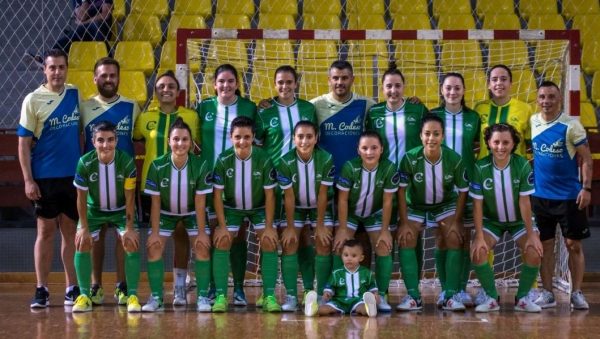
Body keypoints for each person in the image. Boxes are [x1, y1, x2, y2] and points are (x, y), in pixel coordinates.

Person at [18, 49, 81, 308]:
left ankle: (71, 288)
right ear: (44, 70)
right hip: (45, 178)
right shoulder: (32, 100)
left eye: (61, 67)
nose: (57, 72)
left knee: (70, 233)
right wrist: (28, 180)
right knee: (45, 233)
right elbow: (23, 144)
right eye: (52, 67)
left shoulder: (75, 93)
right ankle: (41, 289)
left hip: (72, 177)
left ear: (67, 69)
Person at [364, 63, 428, 311]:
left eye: (397, 85)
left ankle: (414, 293)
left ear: (404, 87)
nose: (393, 90)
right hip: (383, 181)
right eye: (388, 86)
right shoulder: (375, 113)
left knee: (410, 235)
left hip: (412, 183)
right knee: (385, 235)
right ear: (382, 89)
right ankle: (381, 294)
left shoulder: (417, 109)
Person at [133, 70, 200, 306]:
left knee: (181, 236)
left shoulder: (191, 117)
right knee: (156, 238)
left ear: (178, 91)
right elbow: (133, 139)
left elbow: (198, 146)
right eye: (161, 86)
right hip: (153, 188)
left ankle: (180, 287)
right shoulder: (144, 118)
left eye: (171, 86)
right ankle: (156, 293)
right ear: (156, 91)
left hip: (185, 186)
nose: (166, 89)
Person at [255, 65, 319, 308]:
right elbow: (258, 145)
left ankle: (307, 290)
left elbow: (313, 138)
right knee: (269, 236)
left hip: (302, 181)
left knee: (301, 237)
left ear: (296, 83)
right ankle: (267, 289)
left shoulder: (307, 109)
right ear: (274, 84)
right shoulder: (264, 112)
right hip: (272, 183)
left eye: (289, 82)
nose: (285, 86)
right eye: (280, 82)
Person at [80, 57, 139, 306]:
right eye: (103, 75)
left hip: (123, 185)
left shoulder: (131, 106)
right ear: (95, 78)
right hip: (95, 187)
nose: (108, 79)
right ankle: (95, 286)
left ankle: (122, 286)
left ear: (118, 78)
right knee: (95, 238)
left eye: (112, 75)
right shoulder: (84, 107)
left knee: (122, 238)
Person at [196, 64, 257, 306]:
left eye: (231, 81)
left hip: (240, 179)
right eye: (221, 81)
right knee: (213, 232)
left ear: (237, 84)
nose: (226, 85)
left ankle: (239, 288)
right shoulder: (203, 108)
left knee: (238, 234)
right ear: (214, 84)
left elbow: (259, 137)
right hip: (209, 180)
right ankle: (213, 285)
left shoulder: (249, 108)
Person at [530, 81, 593, 310]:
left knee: (573, 245)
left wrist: (586, 188)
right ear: (537, 99)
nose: (546, 101)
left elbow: (586, 159)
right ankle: (547, 293)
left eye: (551, 97)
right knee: (545, 247)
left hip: (569, 196)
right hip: (540, 197)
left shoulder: (571, 126)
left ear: (560, 99)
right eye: (542, 97)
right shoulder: (533, 122)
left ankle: (576, 292)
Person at [396, 114, 469, 311]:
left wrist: (456, 220)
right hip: (416, 206)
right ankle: (413, 296)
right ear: (420, 135)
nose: (431, 138)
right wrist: (403, 222)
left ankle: (449, 295)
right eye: (427, 134)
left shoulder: (454, 158)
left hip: (444, 204)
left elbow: (463, 191)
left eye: (436, 134)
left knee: (453, 236)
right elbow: (401, 191)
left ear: (443, 136)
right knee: (406, 237)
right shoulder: (410, 158)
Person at [141, 118, 213, 312]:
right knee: (154, 247)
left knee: (202, 246)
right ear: (169, 142)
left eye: (185, 139)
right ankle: (156, 297)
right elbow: (155, 203)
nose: (180, 144)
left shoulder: (200, 165)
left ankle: (202, 297)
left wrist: (201, 232)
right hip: (165, 213)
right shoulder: (157, 166)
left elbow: (200, 202)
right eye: (176, 139)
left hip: (191, 214)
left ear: (191, 142)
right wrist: (155, 232)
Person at [470, 123, 543, 313]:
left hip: (518, 221)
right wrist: (478, 236)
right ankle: (492, 297)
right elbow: (477, 205)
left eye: (505, 142)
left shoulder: (523, 165)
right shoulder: (480, 167)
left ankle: (523, 298)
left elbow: (525, 202)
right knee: (478, 251)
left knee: (534, 250)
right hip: (492, 222)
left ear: (513, 144)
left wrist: (532, 234)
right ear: (488, 143)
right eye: (496, 142)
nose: (500, 147)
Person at [211, 116, 280, 313]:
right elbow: (217, 196)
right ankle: (222, 296)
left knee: (268, 240)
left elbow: (270, 196)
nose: (242, 141)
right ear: (231, 137)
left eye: (247, 137)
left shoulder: (263, 157)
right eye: (238, 137)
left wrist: (268, 226)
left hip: (258, 208)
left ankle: (268, 296)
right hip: (232, 208)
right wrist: (222, 226)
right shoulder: (223, 159)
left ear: (253, 137)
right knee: (222, 240)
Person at [71, 121, 141, 313]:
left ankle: (131, 294)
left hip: (120, 209)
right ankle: (85, 295)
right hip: (94, 211)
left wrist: (129, 228)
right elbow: (81, 199)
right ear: (93, 142)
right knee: (81, 241)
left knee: (131, 241)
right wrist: (83, 227)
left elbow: (130, 198)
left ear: (116, 141)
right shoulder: (84, 162)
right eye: (100, 140)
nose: (105, 145)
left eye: (110, 140)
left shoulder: (126, 161)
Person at [332, 131, 398, 313]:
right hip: (352, 213)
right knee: (339, 245)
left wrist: (385, 230)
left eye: (374, 148)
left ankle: (381, 294)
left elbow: (387, 201)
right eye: (365, 148)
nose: (370, 152)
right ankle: (336, 294)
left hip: (374, 214)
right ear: (358, 150)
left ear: (382, 150)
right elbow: (343, 200)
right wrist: (343, 228)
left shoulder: (389, 168)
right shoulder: (349, 167)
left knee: (384, 245)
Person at [430, 72, 481, 307]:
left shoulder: (473, 117)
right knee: (442, 238)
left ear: (463, 90)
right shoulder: (432, 116)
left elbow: (477, 149)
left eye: (457, 88)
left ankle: (460, 289)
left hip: (466, 185)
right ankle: (445, 289)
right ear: (441, 90)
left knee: (463, 237)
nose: (452, 92)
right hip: (438, 185)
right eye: (448, 88)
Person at [276, 121, 335, 311]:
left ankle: (320, 296)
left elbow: (323, 194)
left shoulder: (326, 158)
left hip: (320, 207)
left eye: (309, 136)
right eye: (300, 136)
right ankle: (292, 297)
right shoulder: (284, 162)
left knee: (324, 241)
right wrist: (292, 226)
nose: (304, 141)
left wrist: (319, 225)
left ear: (316, 138)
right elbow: (289, 196)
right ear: (294, 139)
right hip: (296, 208)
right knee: (289, 242)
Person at [26, 0, 113, 68]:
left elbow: (105, 15)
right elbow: (81, 16)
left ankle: (107, 60)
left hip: (103, 28)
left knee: (96, 25)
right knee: (68, 39)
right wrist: (84, 1)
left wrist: (84, 23)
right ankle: (46, 59)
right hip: (85, 31)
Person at [304, 239, 379, 317]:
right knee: (325, 310)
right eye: (346, 255)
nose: (349, 258)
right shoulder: (337, 273)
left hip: (358, 301)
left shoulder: (367, 273)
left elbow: (372, 286)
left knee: (363, 309)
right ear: (342, 256)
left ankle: (370, 307)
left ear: (361, 258)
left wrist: (375, 294)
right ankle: (312, 308)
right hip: (339, 301)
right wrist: (327, 293)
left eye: (353, 256)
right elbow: (330, 286)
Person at [475, 64, 532, 159]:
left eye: (504, 79)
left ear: (511, 83)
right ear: (489, 84)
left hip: (515, 170)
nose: (499, 83)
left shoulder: (525, 109)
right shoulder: (479, 108)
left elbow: (530, 144)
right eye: (494, 79)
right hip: (485, 170)